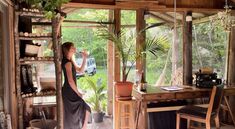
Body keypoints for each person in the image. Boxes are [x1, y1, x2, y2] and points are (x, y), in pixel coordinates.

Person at [61, 42, 91, 129]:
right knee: (85, 107)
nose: (75, 49)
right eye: (72, 48)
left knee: (72, 115)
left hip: (70, 90)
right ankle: (84, 127)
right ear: (67, 50)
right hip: (69, 91)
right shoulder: (67, 63)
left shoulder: (70, 61)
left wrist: (84, 58)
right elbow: (70, 81)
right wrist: (78, 92)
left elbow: (81, 70)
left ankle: (83, 127)